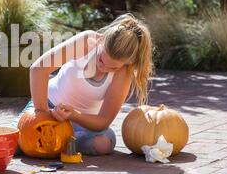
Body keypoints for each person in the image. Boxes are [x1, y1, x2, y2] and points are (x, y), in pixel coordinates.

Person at [13, 13, 153, 156]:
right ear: (101, 40)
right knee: (13, 144)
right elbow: (39, 69)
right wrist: (43, 114)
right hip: (45, 105)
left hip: (81, 122)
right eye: (101, 59)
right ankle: (62, 144)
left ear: (127, 63)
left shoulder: (125, 72)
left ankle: (62, 141)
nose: (103, 68)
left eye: (113, 68)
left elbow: (103, 121)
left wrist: (73, 115)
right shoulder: (87, 41)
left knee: (103, 143)